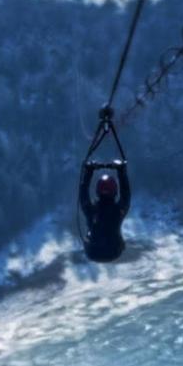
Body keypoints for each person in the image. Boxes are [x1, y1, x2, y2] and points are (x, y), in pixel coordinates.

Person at [78, 113, 132, 264]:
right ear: (114, 191)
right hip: (114, 251)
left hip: (93, 252)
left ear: (98, 191)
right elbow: (126, 194)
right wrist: (122, 171)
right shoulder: (118, 211)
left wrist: (88, 172)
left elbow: (83, 194)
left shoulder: (92, 211)